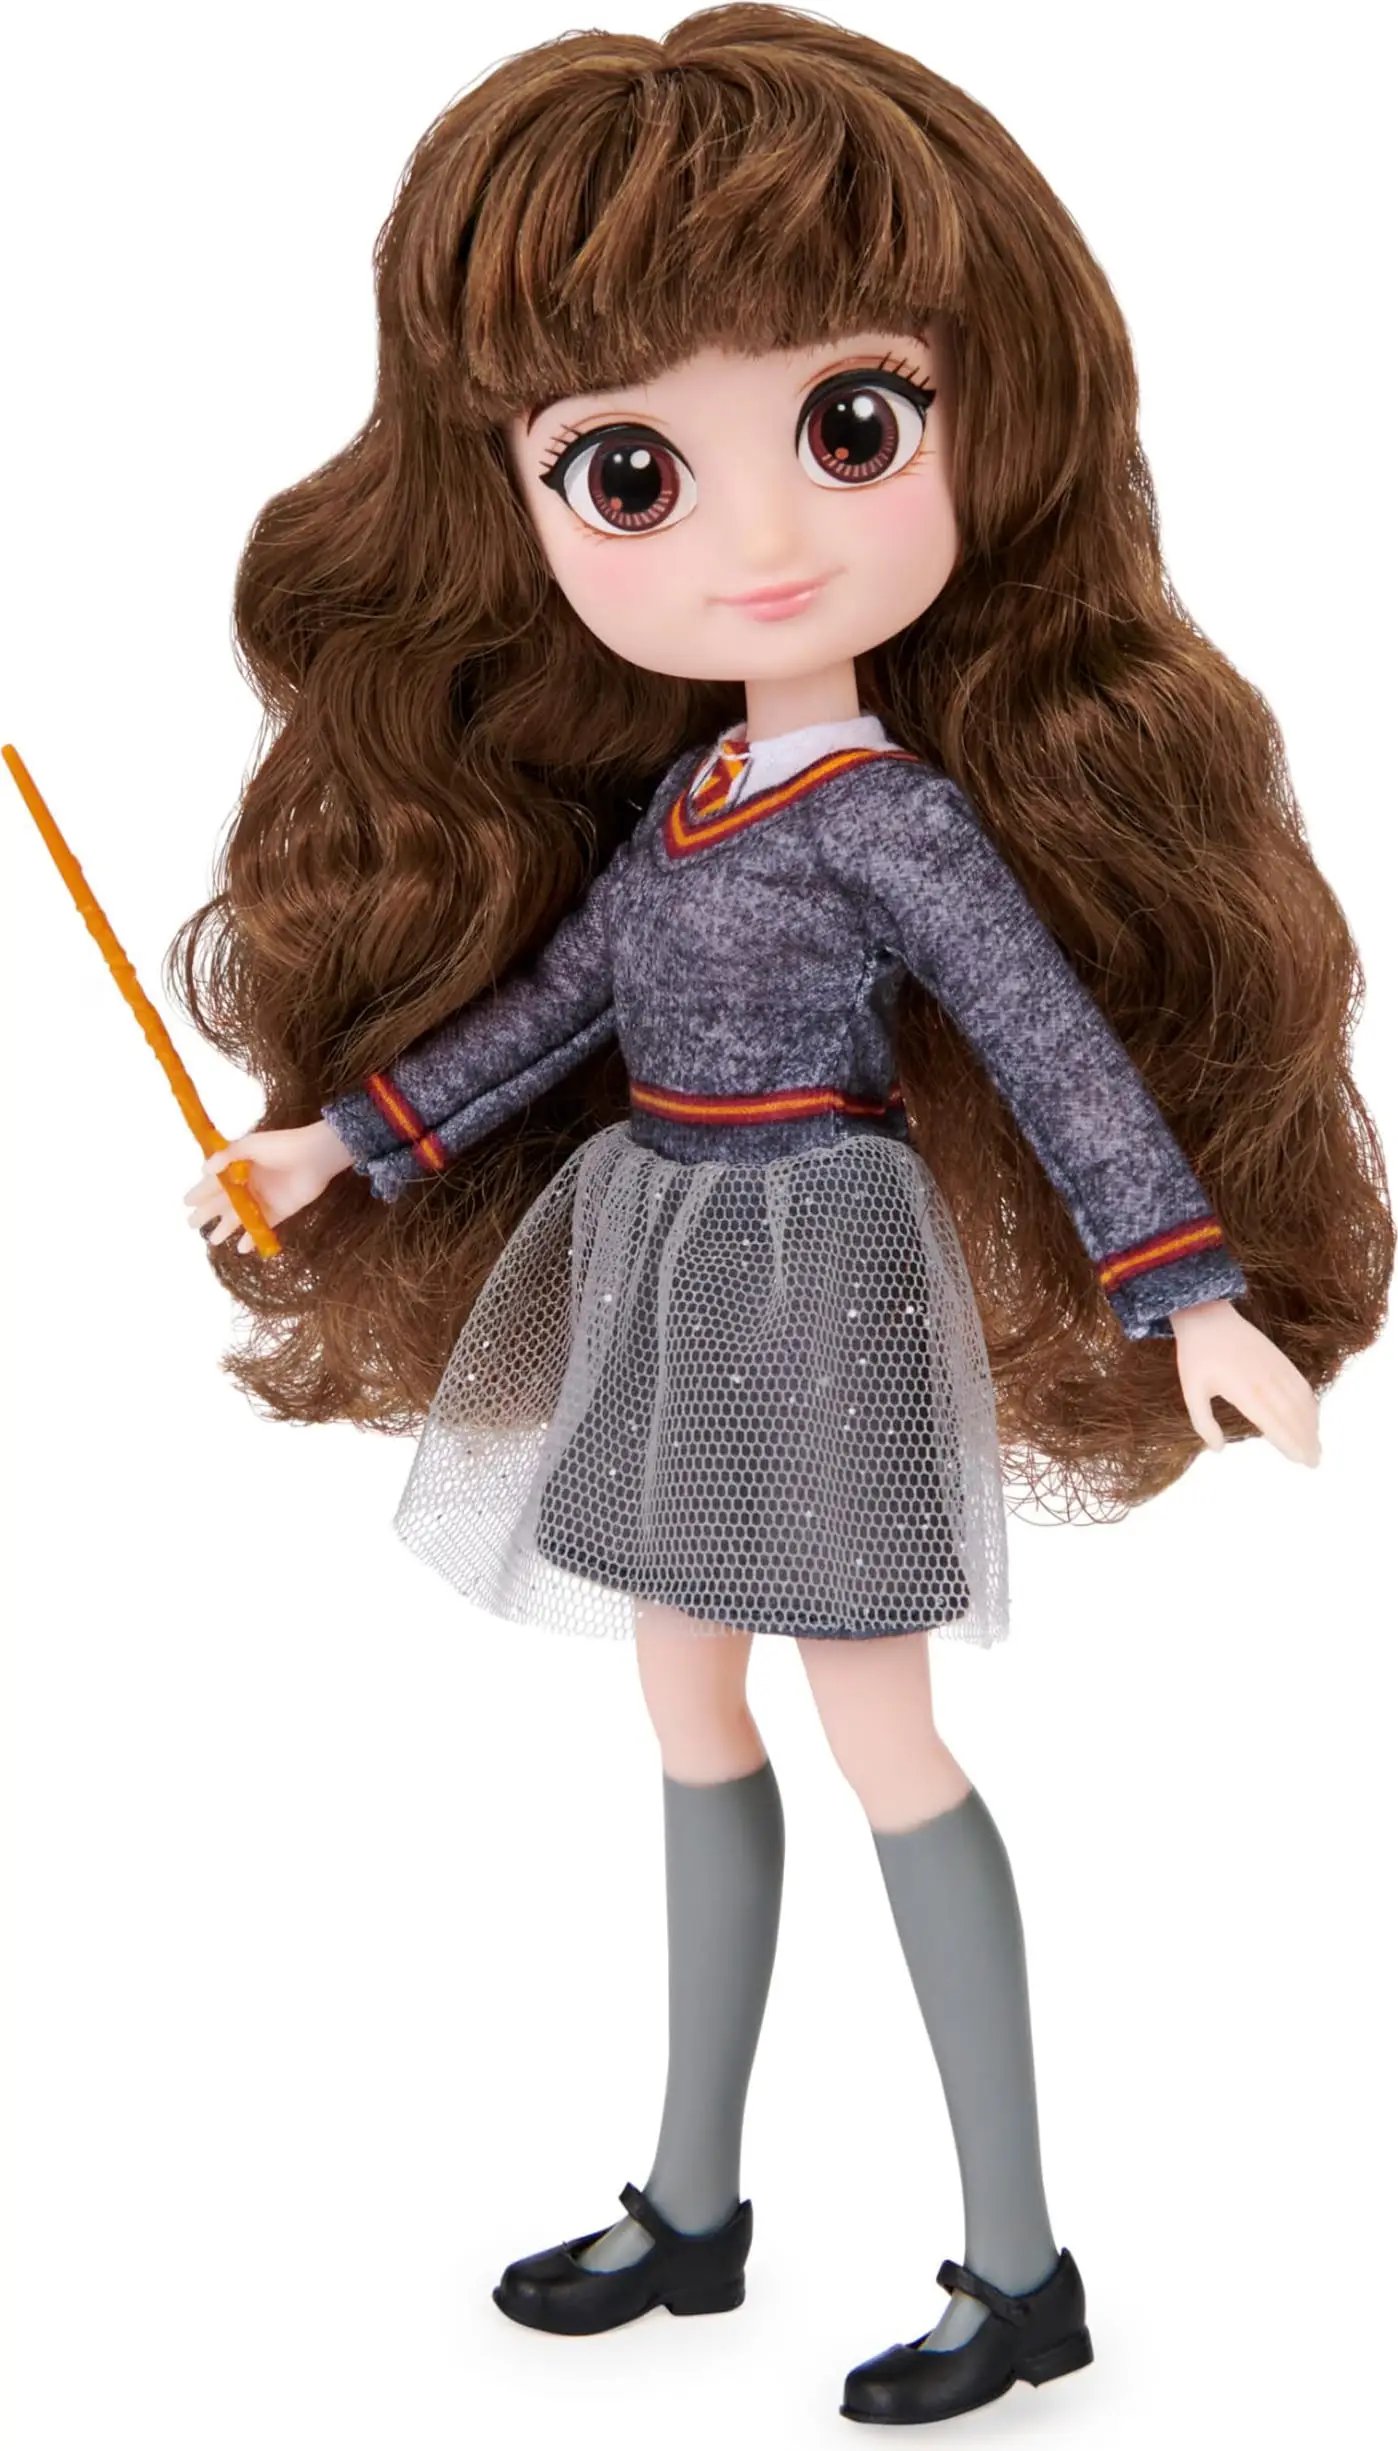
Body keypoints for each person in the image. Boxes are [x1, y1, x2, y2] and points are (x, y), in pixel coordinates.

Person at [177, 6, 1390, 2425]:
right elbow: (561, 1005)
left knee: (883, 1729)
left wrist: (1186, 1292)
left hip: (818, 1270)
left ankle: (1017, 2261)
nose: (761, 543)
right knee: (682, 1696)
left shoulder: (895, 817)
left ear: (981, 424)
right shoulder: (689, 804)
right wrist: (350, 1140)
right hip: (660, 1254)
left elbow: (1047, 1042)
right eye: (630, 470)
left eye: (851, 429)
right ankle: (694, 2196)